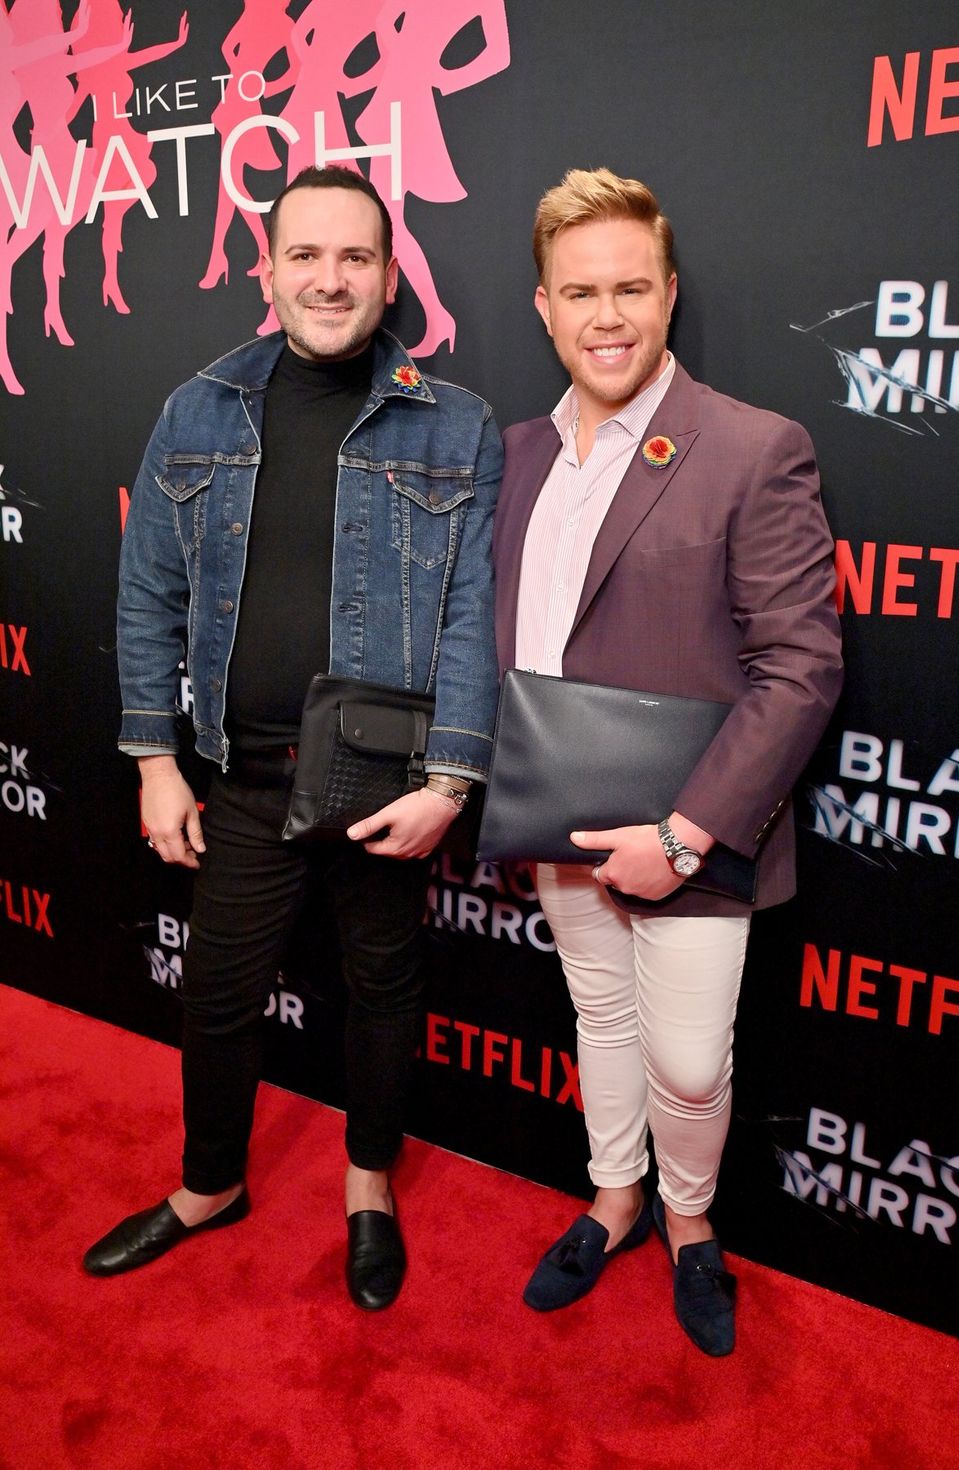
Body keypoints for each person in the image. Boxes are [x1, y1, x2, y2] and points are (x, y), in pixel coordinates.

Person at [84, 165, 502, 1311]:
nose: (330, 278)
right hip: (238, 778)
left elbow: (471, 614)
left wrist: (449, 784)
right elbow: (146, 593)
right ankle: (210, 1185)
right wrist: (154, 759)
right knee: (217, 996)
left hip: (383, 784)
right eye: (305, 255)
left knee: (382, 988)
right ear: (265, 272)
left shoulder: (453, 422)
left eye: (354, 257)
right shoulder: (196, 408)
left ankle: (369, 1186)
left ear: (388, 276)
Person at [493, 168, 843, 1355]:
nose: (606, 316)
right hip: (554, 819)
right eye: (579, 292)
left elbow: (799, 670)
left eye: (629, 288)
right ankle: (613, 1199)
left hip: (689, 834)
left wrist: (685, 837)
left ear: (669, 293)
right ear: (543, 307)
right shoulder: (515, 457)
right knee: (597, 1017)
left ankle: (689, 1223)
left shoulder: (750, 447)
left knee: (688, 1066)